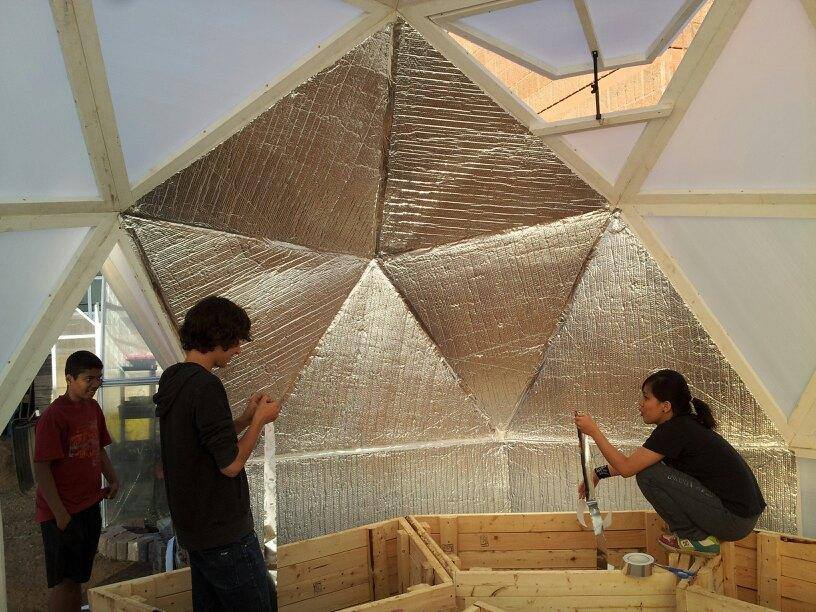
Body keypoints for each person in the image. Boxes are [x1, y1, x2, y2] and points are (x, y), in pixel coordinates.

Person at [153, 296, 280, 611]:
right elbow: (231, 465)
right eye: (236, 340)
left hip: (195, 532)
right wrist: (260, 423)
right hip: (223, 534)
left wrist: (244, 419)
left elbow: (205, 441)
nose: (239, 349)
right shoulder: (207, 387)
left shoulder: (174, 379)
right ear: (218, 337)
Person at [575, 369, 765, 557]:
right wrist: (598, 473)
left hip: (733, 521)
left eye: (646, 398)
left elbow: (628, 468)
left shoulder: (674, 431)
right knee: (649, 470)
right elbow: (637, 462)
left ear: (665, 406)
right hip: (739, 517)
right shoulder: (682, 425)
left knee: (648, 476)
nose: (640, 404)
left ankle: (695, 538)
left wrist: (594, 432)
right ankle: (695, 536)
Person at [34, 350, 119, 612]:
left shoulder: (92, 408)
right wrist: (60, 514)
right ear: (69, 378)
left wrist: (113, 478)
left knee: (79, 577)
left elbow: (99, 448)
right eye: (88, 378)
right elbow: (41, 468)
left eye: (99, 379)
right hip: (63, 512)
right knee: (65, 582)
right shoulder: (54, 415)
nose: (95, 384)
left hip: (88, 506)